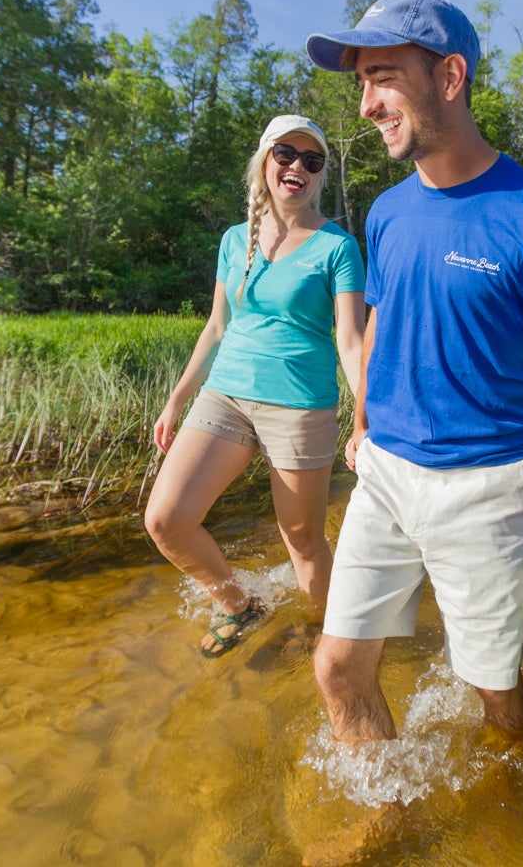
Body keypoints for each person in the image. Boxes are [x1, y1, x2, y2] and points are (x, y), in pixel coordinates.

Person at [302, 0, 523, 740]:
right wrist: (361, 425)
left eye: (382, 76)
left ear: (449, 76)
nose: (365, 105)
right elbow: (382, 330)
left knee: (495, 695)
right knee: (336, 667)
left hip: (488, 488)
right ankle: (379, 823)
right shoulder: (387, 214)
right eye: (360, 82)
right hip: (386, 473)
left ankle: (511, 813)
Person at [144, 114, 365, 658]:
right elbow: (218, 326)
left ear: (320, 177)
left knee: (303, 541)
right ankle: (238, 604)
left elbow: (352, 343)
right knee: (166, 519)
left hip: (299, 407)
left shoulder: (337, 247)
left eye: (312, 161)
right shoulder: (233, 238)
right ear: (265, 160)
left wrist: (365, 419)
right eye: (286, 154)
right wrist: (177, 398)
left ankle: (322, 636)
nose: (297, 168)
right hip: (225, 395)